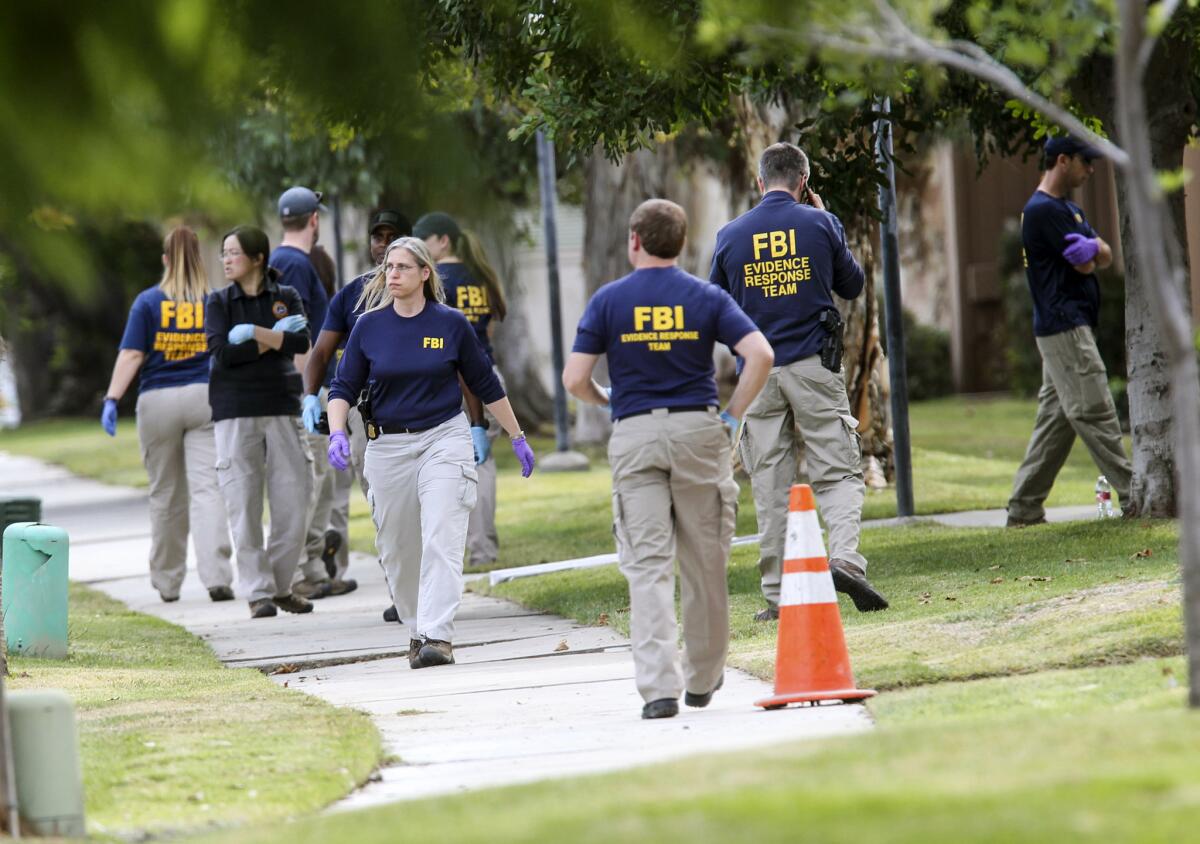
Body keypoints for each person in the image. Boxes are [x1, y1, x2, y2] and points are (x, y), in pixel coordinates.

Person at [564, 199, 773, 719]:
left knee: (648, 564)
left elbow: (574, 379)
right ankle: (702, 678)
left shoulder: (609, 301)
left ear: (634, 239)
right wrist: (732, 416)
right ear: (680, 243)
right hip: (700, 429)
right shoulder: (705, 297)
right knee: (706, 560)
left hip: (635, 434)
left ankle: (659, 689)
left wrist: (607, 398)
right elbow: (761, 354)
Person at [326, 236, 535, 669]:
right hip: (388, 446)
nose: (393, 274)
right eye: (389, 267)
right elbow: (343, 387)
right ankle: (418, 627)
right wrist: (336, 432)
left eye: (403, 267)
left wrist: (516, 436)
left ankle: (437, 637)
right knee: (398, 549)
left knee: (442, 535)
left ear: (425, 273)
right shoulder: (368, 326)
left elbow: (485, 384)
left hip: (444, 438)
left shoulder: (450, 323)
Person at [710, 141, 888, 619]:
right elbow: (852, 285)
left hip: (757, 375)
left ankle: (778, 596)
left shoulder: (730, 235)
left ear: (760, 180)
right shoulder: (819, 223)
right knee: (838, 468)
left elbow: (714, 306)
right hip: (815, 364)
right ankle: (846, 560)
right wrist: (827, 224)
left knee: (769, 481)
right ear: (804, 183)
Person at [101, 225, 234, 603]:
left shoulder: (148, 302)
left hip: (157, 401)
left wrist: (112, 398)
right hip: (205, 397)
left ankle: (167, 581)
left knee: (165, 494)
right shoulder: (213, 301)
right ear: (199, 259)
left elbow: (131, 355)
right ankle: (217, 578)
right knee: (208, 489)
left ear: (164, 260)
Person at [1006, 135, 1132, 526]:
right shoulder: (1043, 211)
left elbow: (1106, 255)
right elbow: (1087, 265)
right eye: (1085, 162)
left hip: (1066, 327)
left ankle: (1024, 508)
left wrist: (1095, 249)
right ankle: (1136, 495)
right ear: (1063, 160)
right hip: (1065, 327)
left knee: (1055, 424)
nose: (1091, 169)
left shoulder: (1067, 209)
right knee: (1095, 411)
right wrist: (1095, 252)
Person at [302, 209, 410, 613]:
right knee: (382, 501)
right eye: (376, 237)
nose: (381, 245)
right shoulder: (352, 295)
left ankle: (421, 590)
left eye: (391, 237)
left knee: (419, 506)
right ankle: (401, 593)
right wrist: (311, 395)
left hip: (423, 411)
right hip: (368, 415)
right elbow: (322, 351)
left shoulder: (429, 290)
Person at [206, 225, 315, 619]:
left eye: (234, 252)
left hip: (283, 405)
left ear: (258, 258)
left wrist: (251, 335)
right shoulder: (219, 302)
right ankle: (258, 592)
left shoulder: (285, 296)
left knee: (294, 500)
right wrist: (270, 338)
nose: (227, 260)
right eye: (224, 253)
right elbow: (222, 354)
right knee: (243, 503)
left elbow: (302, 343)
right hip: (234, 409)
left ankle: (281, 585)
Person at [413, 212, 509, 569]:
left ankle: (460, 550)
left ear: (442, 241)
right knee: (481, 464)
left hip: (455, 379)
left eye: (422, 240)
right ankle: (483, 549)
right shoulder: (482, 276)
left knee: (447, 467)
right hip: (490, 375)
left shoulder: (437, 281)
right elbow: (490, 329)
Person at [269, 186, 344, 598]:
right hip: (307, 389)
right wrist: (308, 393)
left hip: (314, 386)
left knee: (323, 482)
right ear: (314, 220)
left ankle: (314, 569)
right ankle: (298, 572)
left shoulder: (286, 261)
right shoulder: (294, 264)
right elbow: (299, 336)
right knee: (309, 482)